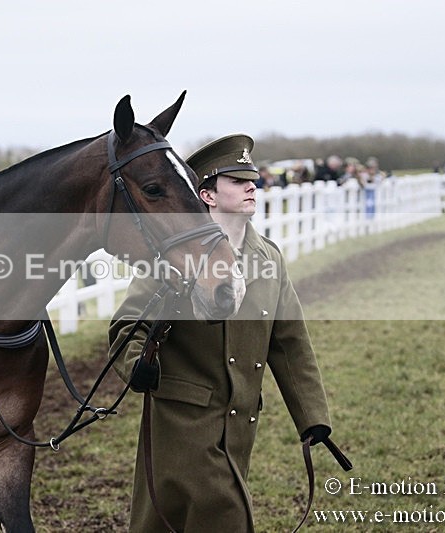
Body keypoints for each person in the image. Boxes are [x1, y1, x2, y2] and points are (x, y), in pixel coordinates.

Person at [109, 135, 343, 532]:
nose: (252, 185)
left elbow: (289, 343)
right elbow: (128, 325)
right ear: (208, 195)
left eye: (252, 178)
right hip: (182, 424)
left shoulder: (270, 258)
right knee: (226, 514)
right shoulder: (175, 255)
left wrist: (312, 417)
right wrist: (135, 365)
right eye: (237, 180)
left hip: (239, 425)